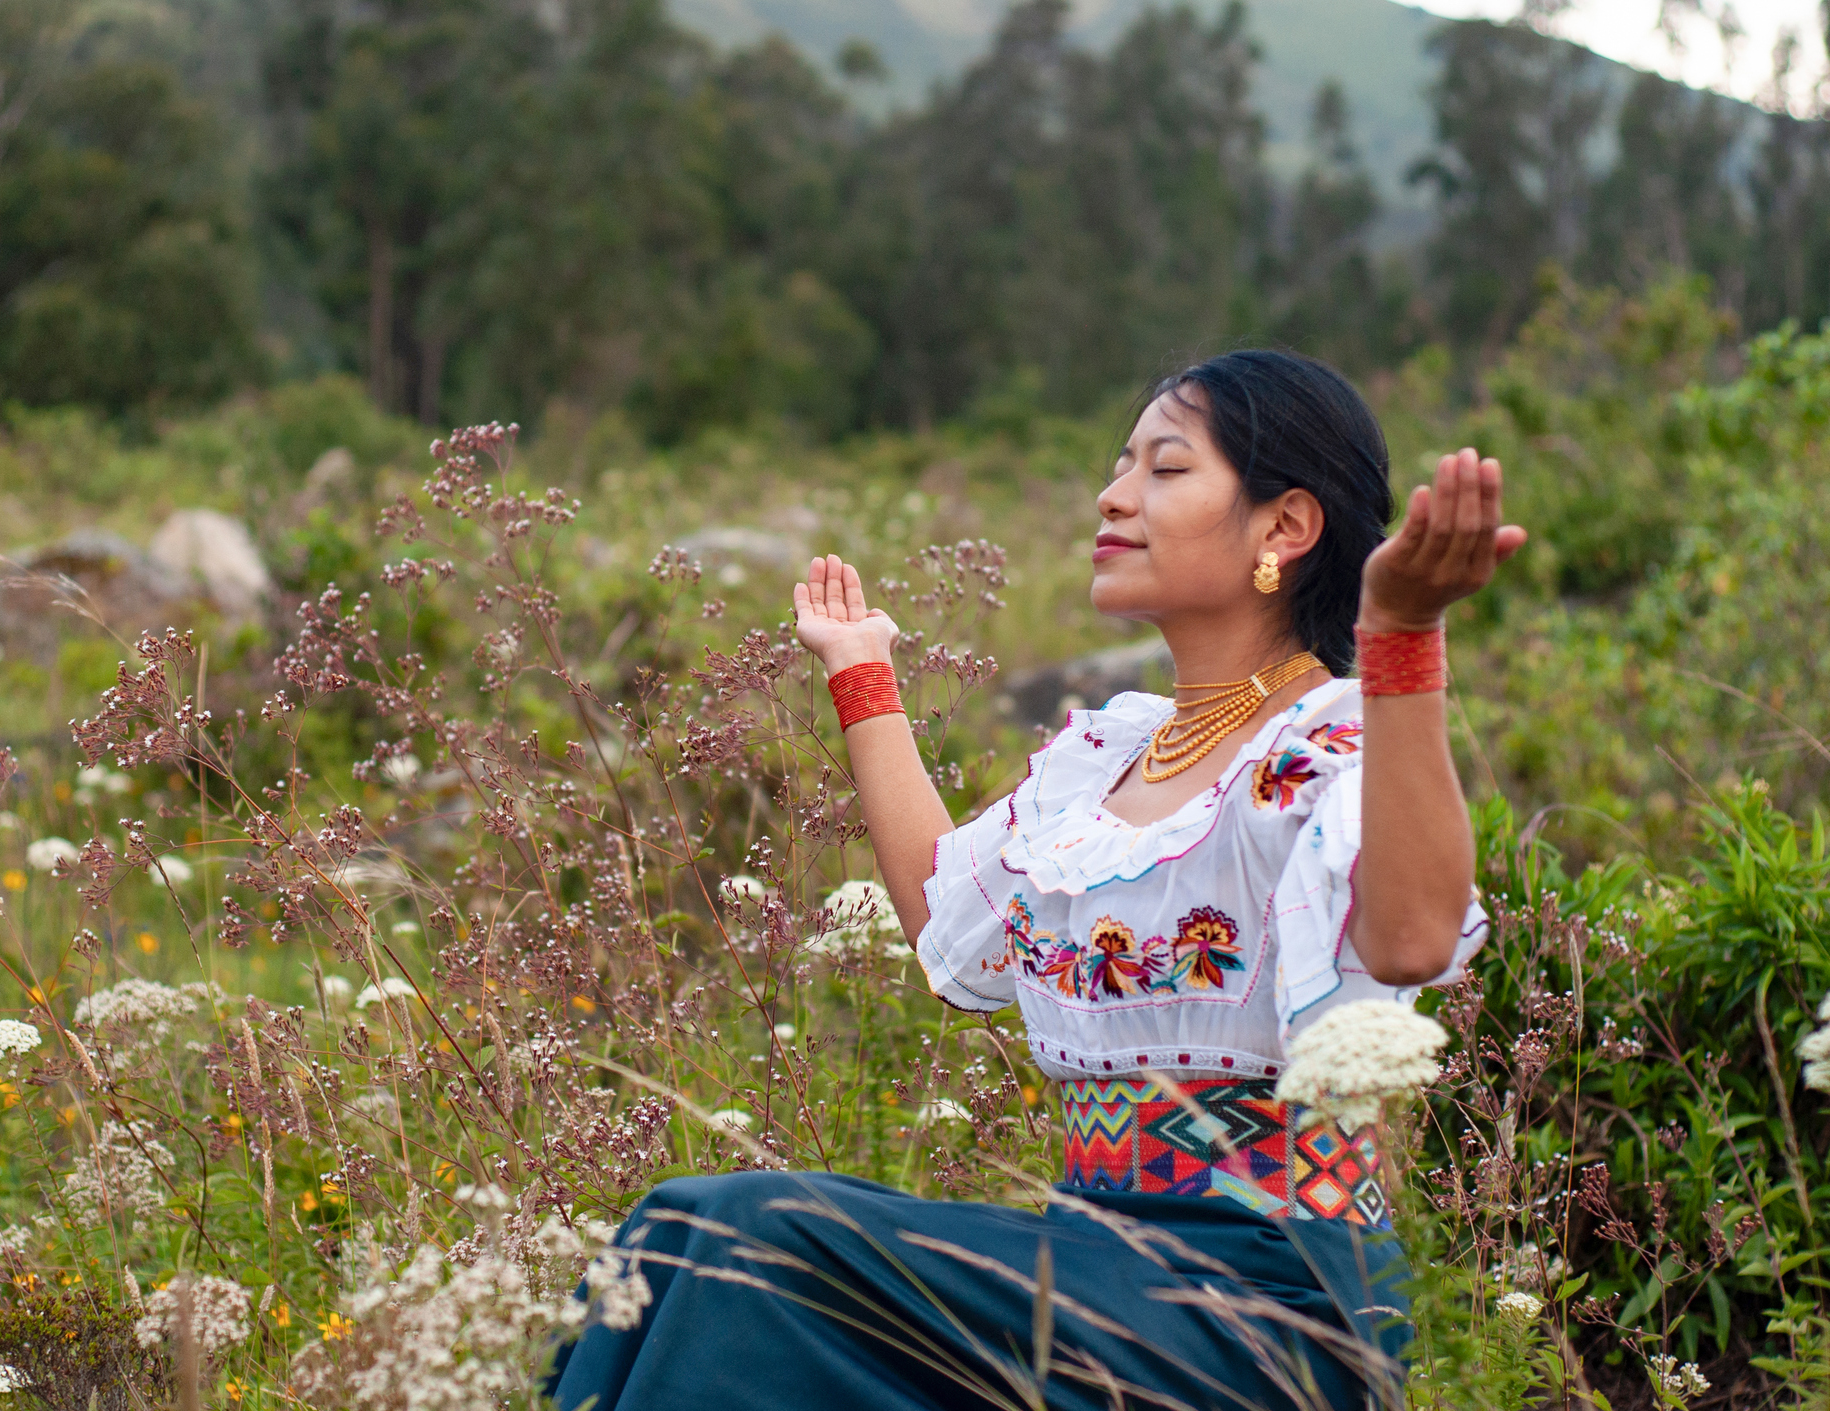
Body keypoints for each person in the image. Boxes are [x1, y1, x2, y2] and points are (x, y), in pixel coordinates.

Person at [547, 349, 1524, 1411]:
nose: (1113, 495)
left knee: (750, 1245)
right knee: (676, 1233)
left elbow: (1415, 937)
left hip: (1266, 1297)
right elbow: (942, 917)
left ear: (1283, 528)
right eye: (1120, 465)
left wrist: (1403, 644)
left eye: (1164, 468)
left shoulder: (1322, 740)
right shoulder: (1112, 754)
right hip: (1088, 1267)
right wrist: (860, 666)